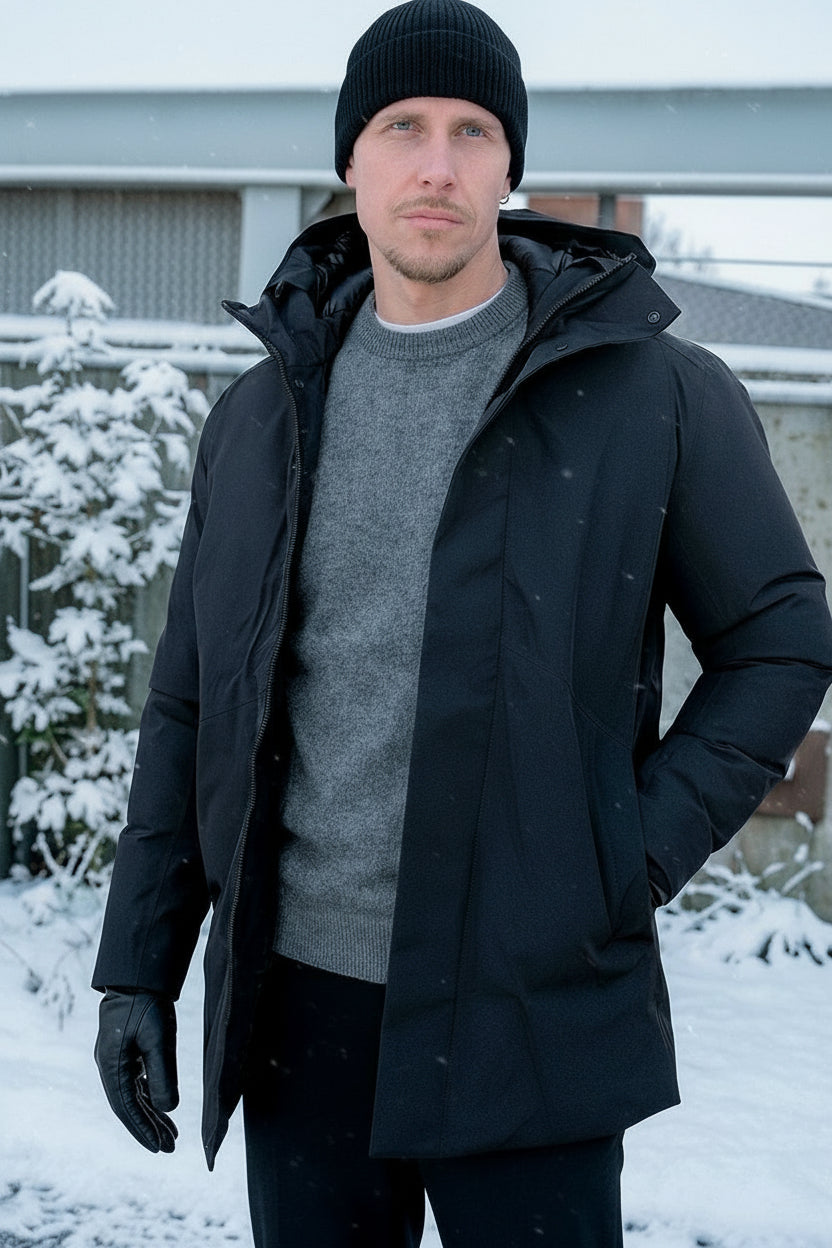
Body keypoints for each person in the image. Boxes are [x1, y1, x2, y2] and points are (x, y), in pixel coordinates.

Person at [92, 1, 832, 1244]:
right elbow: (191, 703)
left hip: (529, 1010)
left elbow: (779, 639)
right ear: (351, 158)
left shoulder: (647, 393)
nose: (435, 163)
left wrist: (629, 855)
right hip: (298, 1014)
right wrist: (138, 965)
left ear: (508, 165)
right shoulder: (260, 418)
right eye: (402, 127)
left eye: (471, 130)